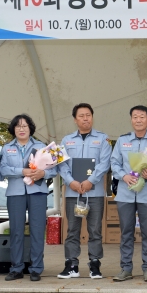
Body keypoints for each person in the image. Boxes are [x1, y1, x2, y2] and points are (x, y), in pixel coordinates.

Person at [0, 115, 56, 281]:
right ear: (13, 129)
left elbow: (55, 169)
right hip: (15, 192)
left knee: (37, 230)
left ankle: (36, 268)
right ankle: (16, 268)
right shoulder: (6, 148)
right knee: (16, 230)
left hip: (37, 191)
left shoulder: (42, 146)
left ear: (30, 128)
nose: (21, 129)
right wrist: (21, 171)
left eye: (24, 126)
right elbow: (2, 170)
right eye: (18, 126)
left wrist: (43, 173)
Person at [111, 105, 147, 282]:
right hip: (125, 193)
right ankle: (126, 268)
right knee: (126, 231)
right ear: (131, 119)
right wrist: (124, 176)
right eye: (135, 117)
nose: (138, 120)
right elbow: (114, 163)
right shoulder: (122, 140)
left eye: (142, 117)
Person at [57, 103, 112, 279]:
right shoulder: (66, 141)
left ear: (92, 117)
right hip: (73, 193)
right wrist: (70, 181)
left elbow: (105, 163)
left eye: (88, 115)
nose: (85, 118)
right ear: (75, 119)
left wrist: (91, 181)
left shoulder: (103, 139)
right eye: (81, 115)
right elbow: (61, 164)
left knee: (95, 230)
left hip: (93, 193)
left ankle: (95, 264)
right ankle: (71, 265)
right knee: (72, 230)